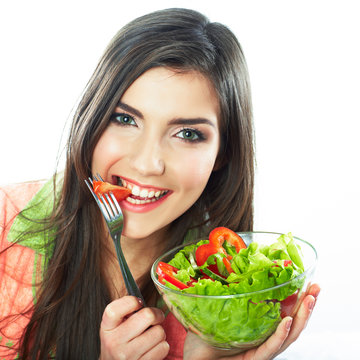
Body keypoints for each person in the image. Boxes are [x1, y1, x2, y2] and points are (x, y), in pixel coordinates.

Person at [0, 8, 320, 360]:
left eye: (187, 134)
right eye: (124, 118)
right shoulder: (6, 222)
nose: (146, 163)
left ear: (223, 153)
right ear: (91, 118)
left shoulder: (222, 300)